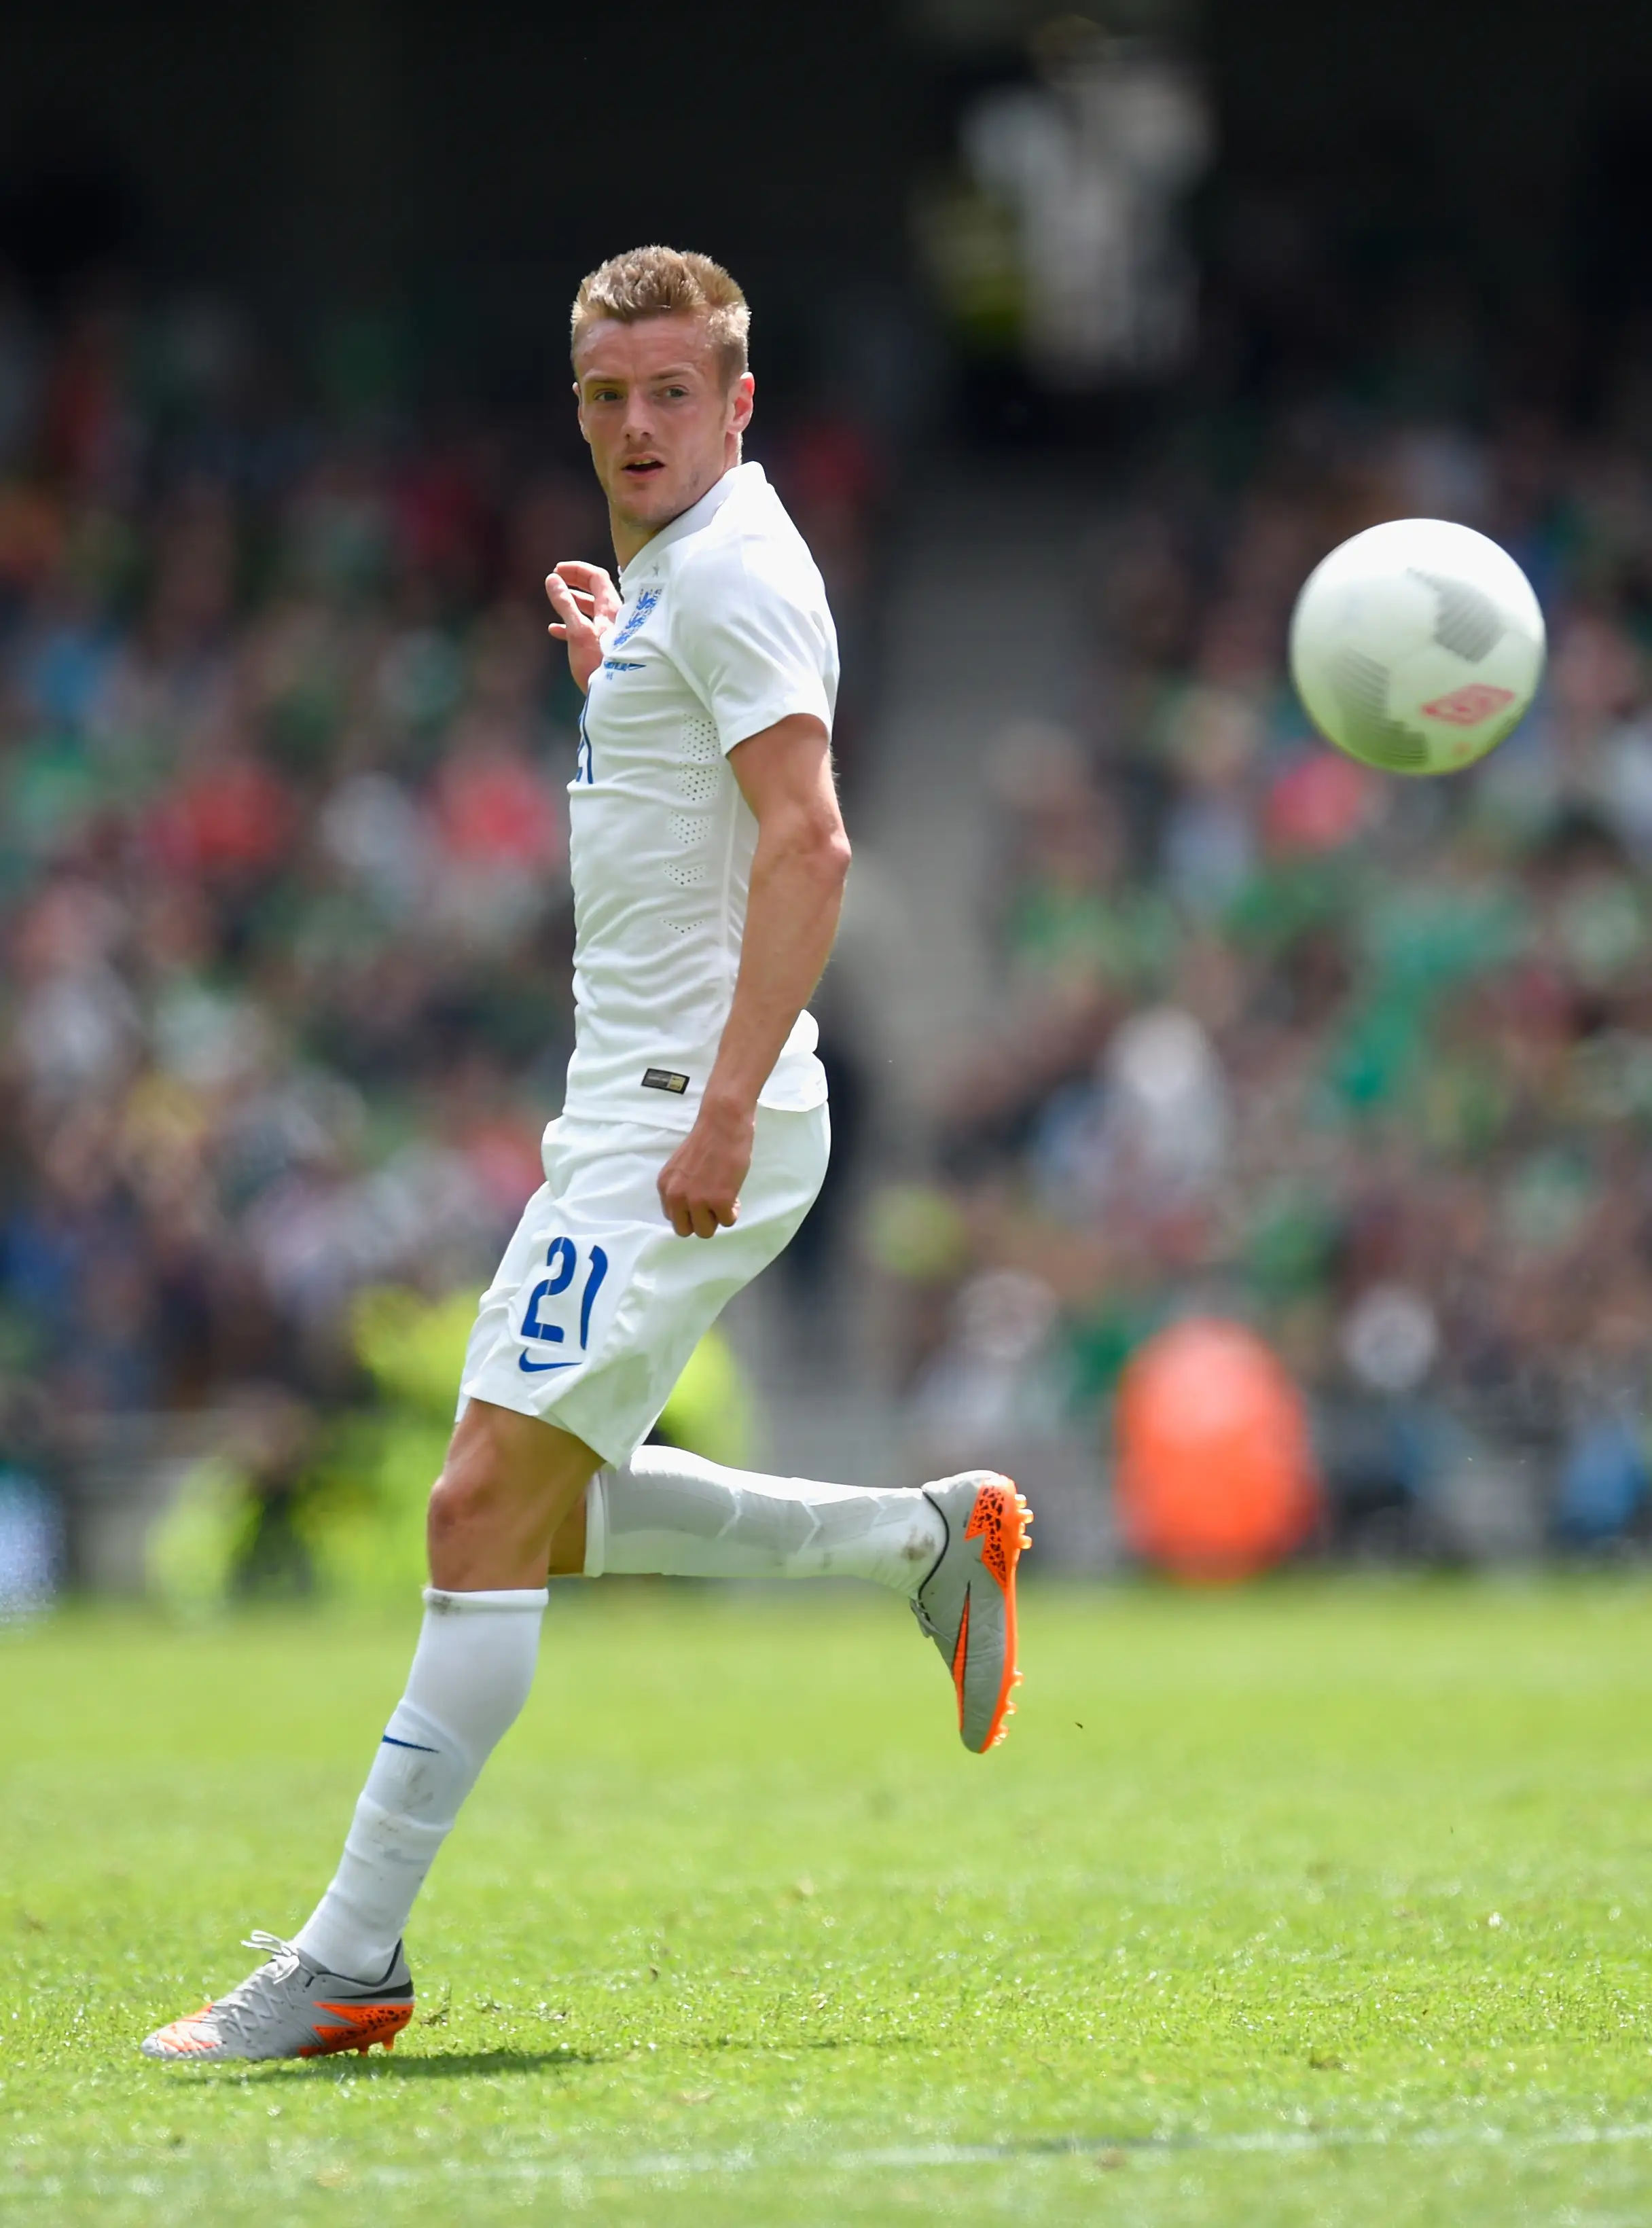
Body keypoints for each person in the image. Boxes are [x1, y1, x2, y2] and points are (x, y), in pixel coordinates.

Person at [140, 247, 1031, 2064]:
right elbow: (718, 802)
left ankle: (350, 1962)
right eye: (609, 398)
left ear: (740, 402)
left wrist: (717, 1104)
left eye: (672, 394)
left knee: (477, 1510)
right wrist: (629, 674)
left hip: (673, 1116)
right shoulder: (689, 585)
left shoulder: (736, 586)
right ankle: (920, 1543)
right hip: (631, 1104)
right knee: (539, 1506)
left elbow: (815, 848)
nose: (637, 425)